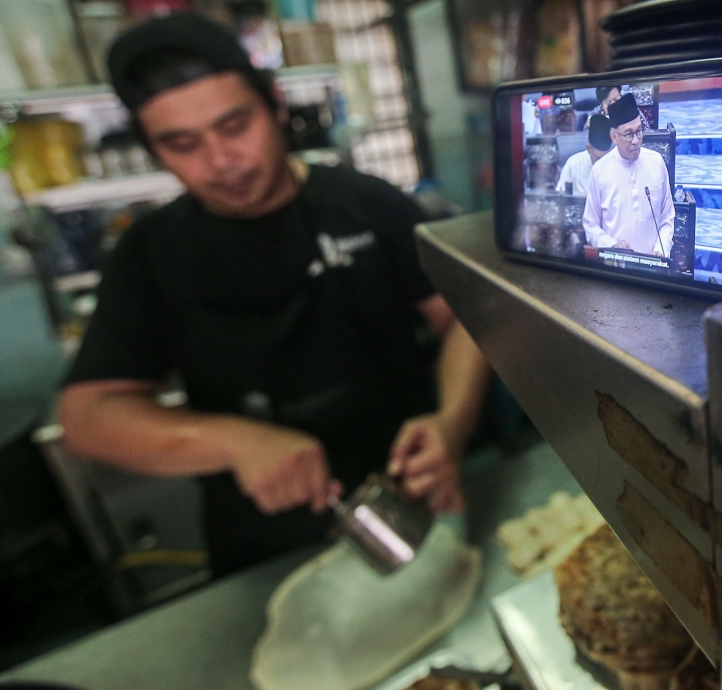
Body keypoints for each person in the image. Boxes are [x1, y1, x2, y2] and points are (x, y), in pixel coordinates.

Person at [59, 14, 491, 577]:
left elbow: (462, 320)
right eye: (182, 144)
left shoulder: (366, 203)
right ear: (153, 151)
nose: (221, 161)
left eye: (235, 126)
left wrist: (452, 422)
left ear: (275, 106)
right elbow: (87, 417)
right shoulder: (149, 254)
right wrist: (232, 441)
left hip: (417, 496)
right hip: (266, 545)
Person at [582, 94, 674, 255]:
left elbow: (667, 218)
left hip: (652, 265)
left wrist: (661, 249)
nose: (636, 140)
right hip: (615, 268)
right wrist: (612, 245)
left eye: (639, 131)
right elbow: (590, 225)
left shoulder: (656, 162)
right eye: (629, 134)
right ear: (614, 137)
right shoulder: (600, 171)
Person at [556, 114, 613, 197]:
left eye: (605, 157)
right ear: (588, 148)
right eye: (598, 158)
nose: (602, 162)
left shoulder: (620, 166)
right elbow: (560, 197)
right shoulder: (573, 164)